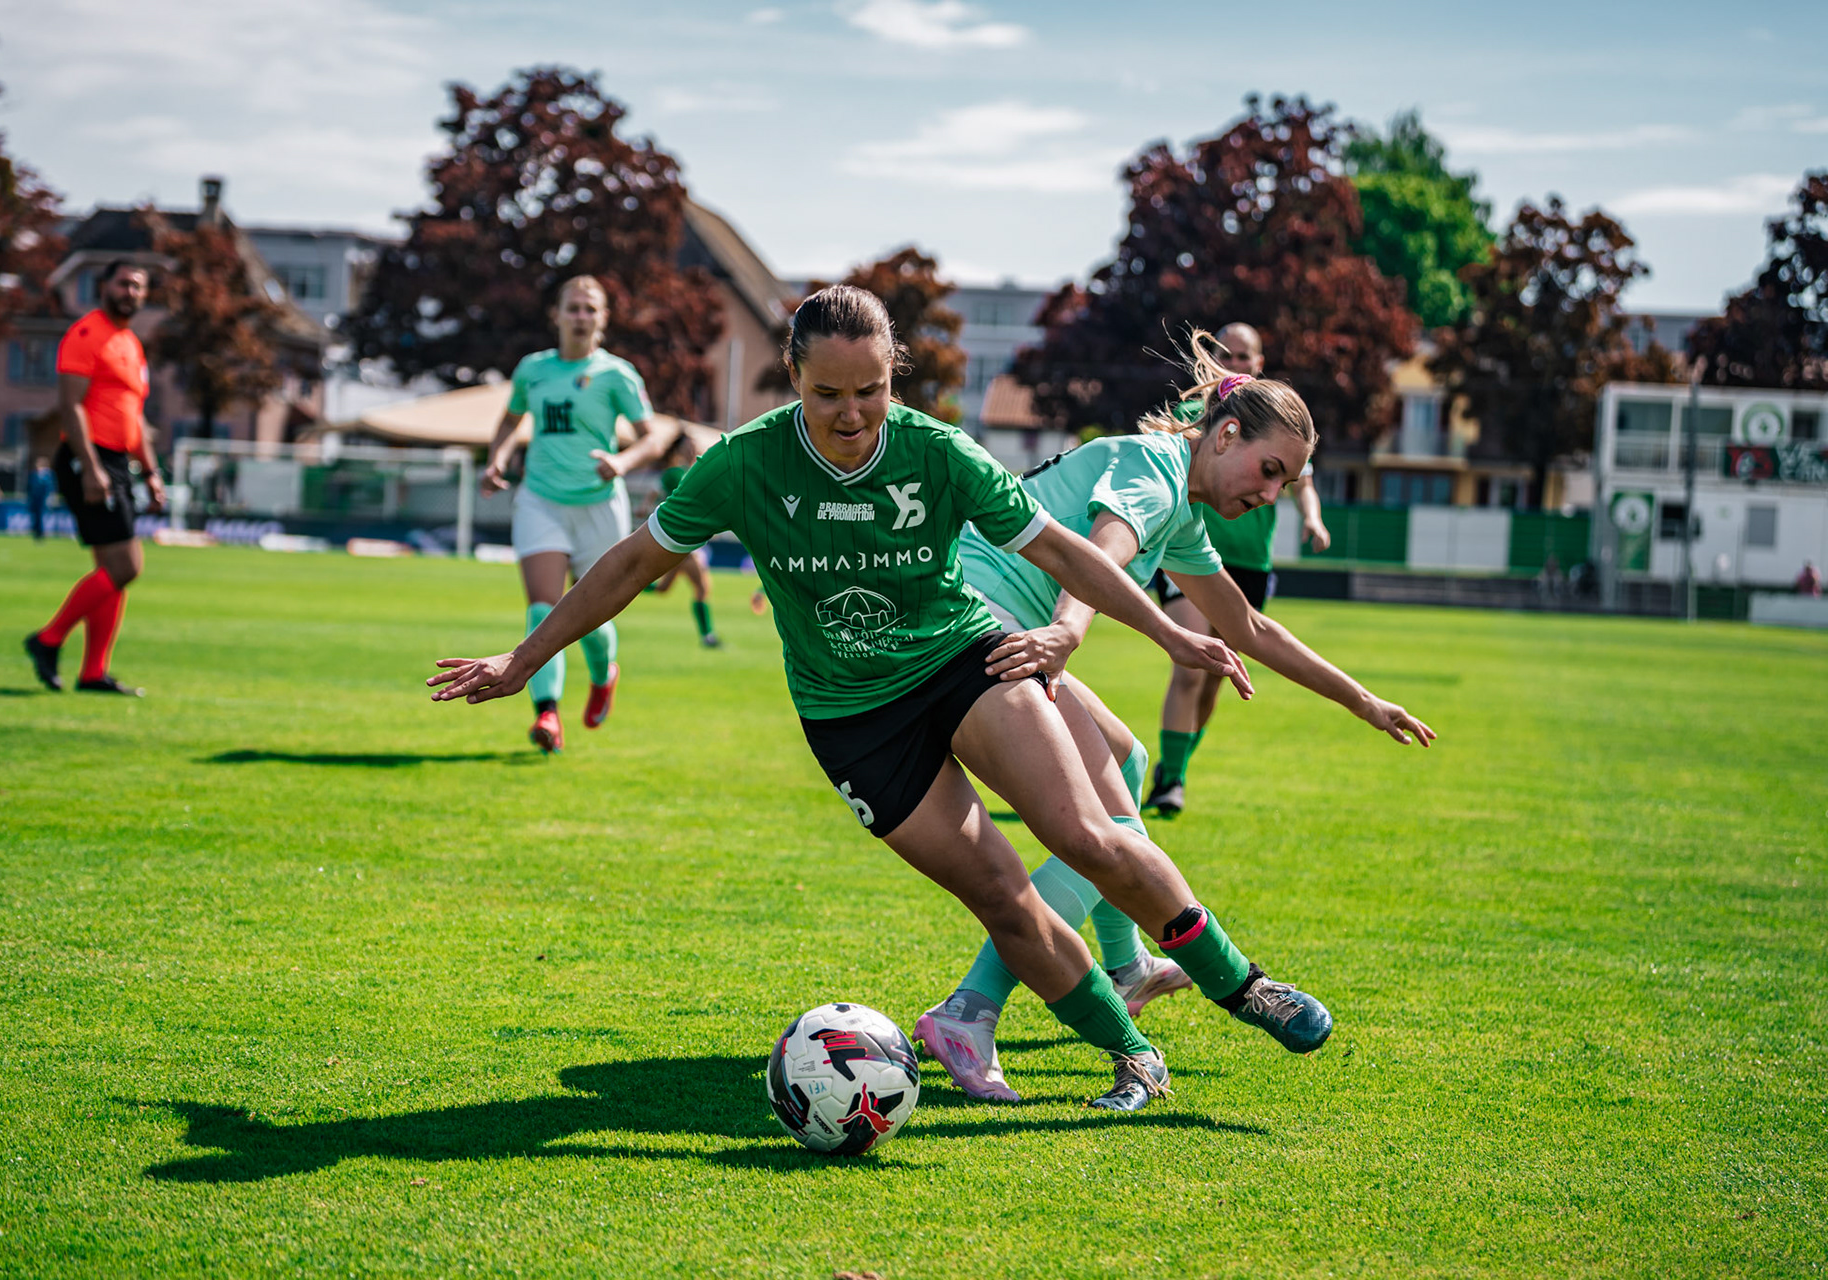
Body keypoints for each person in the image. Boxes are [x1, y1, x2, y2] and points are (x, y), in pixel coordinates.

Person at [432, 286, 1331, 1113]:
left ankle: (1244, 985)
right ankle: (1132, 1053)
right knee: (1006, 898)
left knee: (1089, 832)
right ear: (793, 379)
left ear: (893, 374)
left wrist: (1170, 634)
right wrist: (523, 659)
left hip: (961, 656)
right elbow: (630, 564)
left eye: (870, 391)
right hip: (853, 719)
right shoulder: (743, 464)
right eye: (827, 394)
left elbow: (1063, 549)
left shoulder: (936, 452)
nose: (852, 414)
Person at [914, 331, 1436, 1102]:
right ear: (1226, 434)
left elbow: (1250, 627)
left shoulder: (1180, 507)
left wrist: (1361, 699)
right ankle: (970, 1010)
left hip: (979, 620)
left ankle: (1123, 970)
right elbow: (1096, 555)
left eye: (1286, 485)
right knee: (1113, 834)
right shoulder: (1154, 474)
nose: (1270, 494)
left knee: (1126, 767)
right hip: (980, 626)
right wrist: (1065, 630)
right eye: (1268, 471)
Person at [480, 276, 675, 753]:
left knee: (591, 612)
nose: (581, 317)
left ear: (603, 318)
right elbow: (510, 419)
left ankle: (603, 671)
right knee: (543, 607)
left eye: (590, 309)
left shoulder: (618, 375)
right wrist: (498, 458)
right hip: (541, 500)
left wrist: (622, 463)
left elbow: (653, 436)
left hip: (598, 504)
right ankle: (547, 715)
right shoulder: (533, 370)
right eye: (573, 308)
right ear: (558, 314)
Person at [1147, 322, 1332, 816]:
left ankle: (1174, 768)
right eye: (1224, 353)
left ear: (1260, 363)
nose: (1235, 362)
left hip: (1249, 562)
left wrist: (1313, 519)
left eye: (1245, 355)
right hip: (1190, 555)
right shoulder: (1194, 427)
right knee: (1191, 663)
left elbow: (1306, 482)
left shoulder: (1283, 429)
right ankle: (1171, 781)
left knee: (1214, 678)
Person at [22, 261, 165, 696]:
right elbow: (72, 407)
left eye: (138, 285)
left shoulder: (131, 345)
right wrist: (92, 467)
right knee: (126, 566)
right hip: (90, 458)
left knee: (113, 571)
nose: (130, 291)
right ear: (104, 286)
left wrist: (152, 471)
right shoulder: (87, 334)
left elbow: (134, 418)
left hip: (118, 460)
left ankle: (93, 672)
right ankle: (47, 640)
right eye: (123, 282)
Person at [641, 433, 721, 647]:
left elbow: (654, 492)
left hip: (680, 540)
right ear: (680, 449)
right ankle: (708, 637)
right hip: (686, 540)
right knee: (702, 588)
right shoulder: (679, 473)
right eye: (690, 445)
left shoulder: (680, 471)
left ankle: (631, 584)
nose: (693, 448)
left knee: (662, 589)